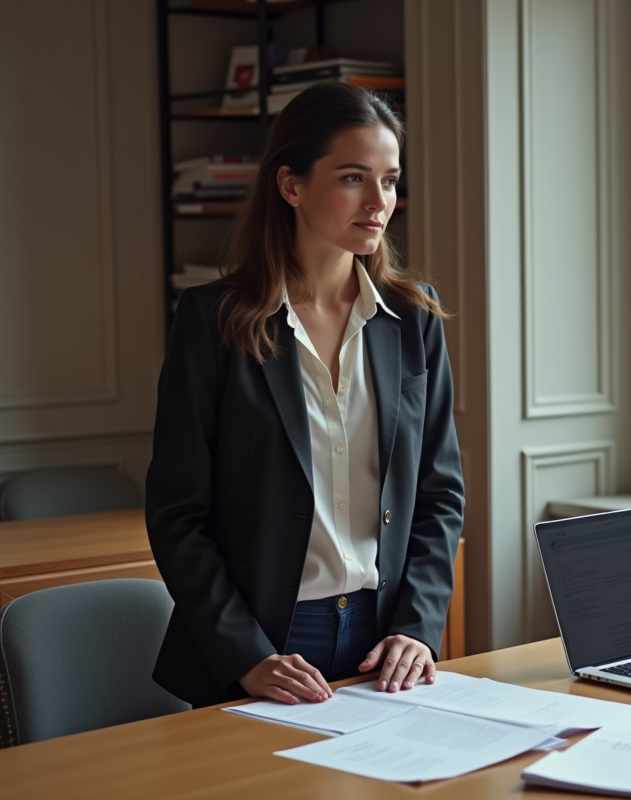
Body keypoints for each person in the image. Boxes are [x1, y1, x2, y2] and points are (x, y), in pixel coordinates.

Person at [147, 82, 464, 708]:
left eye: (391, 180)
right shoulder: (214, 321)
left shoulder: (412, 319)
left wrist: (417, 627)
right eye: (354, 178)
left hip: (385, 643)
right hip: (267, 645)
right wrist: (247, 654)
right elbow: (177, 515)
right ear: (290, 185)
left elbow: (439, 492)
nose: (380, 202)